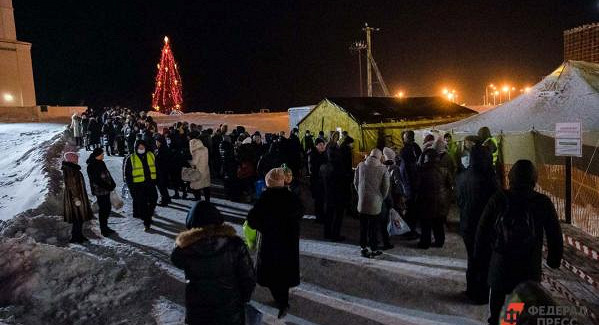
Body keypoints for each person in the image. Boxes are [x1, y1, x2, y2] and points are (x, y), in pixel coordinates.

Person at [474, 160, 563, 325]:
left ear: (510, 178)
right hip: (528, 266)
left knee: (497, 300)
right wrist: (554, 259)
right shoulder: (542, 202)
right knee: (521, 305)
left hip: (500, 263)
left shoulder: (499, 198)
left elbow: (482, 230)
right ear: (534, 180)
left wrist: (479, 257)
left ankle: (495, 321)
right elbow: (554, 234)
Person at [171, 201, 256, 325]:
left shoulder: (185, 249)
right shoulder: (235, 244)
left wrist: (182, 242)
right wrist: (243, 298)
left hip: (199, 310)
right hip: (229, 306)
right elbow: (248, 277)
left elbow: (176, 260)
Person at [247, 168, 304, 319]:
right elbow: (301, 212)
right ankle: (283, 300)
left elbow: (252, 220)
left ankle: (280, 299)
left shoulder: (265, 198)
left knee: (271, 272)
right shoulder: (291, 197)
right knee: (284, 272)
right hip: (288, 242)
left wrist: (264, 227)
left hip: (270, 242)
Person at [456, 140, 496, 303]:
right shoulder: (489, 178)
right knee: (485, 259)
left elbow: (459, 200)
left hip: (467, 224)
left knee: (472, 259)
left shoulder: (461, 176)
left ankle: (471, 290)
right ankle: (482, 294)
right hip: (485, 227)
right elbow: (496, 203)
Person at [416, 137, 453, 249]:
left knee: (426, 224)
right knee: (438, 223)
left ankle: (425, 243)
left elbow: (417, 186)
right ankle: (439, 241)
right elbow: (450, 185)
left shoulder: (421, 171)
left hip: (426, 201)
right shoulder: (444, 170)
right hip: (441, 201)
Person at [354, 148, 390, 258]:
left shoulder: (360, 165)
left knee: (363, 226)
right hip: (375, 203)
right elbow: (386, 187)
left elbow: (355, 182)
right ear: (380, 157)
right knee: (373, 228)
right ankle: (374, 249)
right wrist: (381, 198)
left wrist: (361, 195)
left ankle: (363, 248)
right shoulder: (383, 169)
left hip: (362, 202)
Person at [124, 139, 158, 231]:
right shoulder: (131, 158)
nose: (141, 148)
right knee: (143, 205)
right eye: (139, 146)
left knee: (154, 200)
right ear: (136, 147)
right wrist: (132, 188)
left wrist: (157, 181)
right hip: (138, 186)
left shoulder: (151, 155)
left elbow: (157, 168)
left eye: (142, 146)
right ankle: (147, 222)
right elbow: (127, 175)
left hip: (150, 184)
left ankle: (149, 216)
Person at [61, 152, 94, 243]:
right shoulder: (70, 170)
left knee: (79, 218)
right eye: (76, 158)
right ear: (72, 159)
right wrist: (76, 198)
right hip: (75, 199)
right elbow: (72, 186)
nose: (77, 159)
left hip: (77, 198)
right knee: (78, 218)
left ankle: (78, 235)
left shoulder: (72, 169)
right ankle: (76, 237)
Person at [86, 148, 117, 236]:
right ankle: (103, 229)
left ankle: (105, 226)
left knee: (107, 208)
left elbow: (107, 174)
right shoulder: (91, 165)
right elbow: (96, 180)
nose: (103, 156)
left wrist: (112, 183)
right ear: (97, 155)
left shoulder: (101, 162)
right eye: (102, 155)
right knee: (103, 209)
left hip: (106, 189)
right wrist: (108, 186)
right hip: (99, 190)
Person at [399, 130, 422, 239]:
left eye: (405, 137)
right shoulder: (416, 148)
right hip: (414, 184)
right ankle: (410, 230)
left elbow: (405, 170)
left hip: (410, 185)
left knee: (410, 209)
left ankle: (409, 231)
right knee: (412, 209)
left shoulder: (405, 150)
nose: (403, 139)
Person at [380, 147, 402, 250]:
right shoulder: (395, 168)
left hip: (382, 197)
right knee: (391, 215)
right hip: (391, 195)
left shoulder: (381, 167)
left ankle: (386, 235)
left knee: (384, 219)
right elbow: (397, 183)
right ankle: (391, 235)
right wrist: (400, 195)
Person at [308, 138, 327, 224]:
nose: (322, 146)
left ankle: (321, 216)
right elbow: (312, 169)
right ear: (316, 146)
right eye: (320, 145)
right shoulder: (313, 155)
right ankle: (319, 217)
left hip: (322, 181)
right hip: (316, 181)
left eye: (323, 145)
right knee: (318, 200)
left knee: (321, 199)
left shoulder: (324, 154)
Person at [155, 136, 172, 206]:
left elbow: (160, 161)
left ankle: (164, 201)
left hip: (161, 171)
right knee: (163, 186)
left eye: (157, 141)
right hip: (164, 170)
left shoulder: (162, 150)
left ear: (160, 142)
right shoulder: (163, 148)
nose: (156, 143)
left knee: (161, 186)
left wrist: (155, 156)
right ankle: (167, 198)